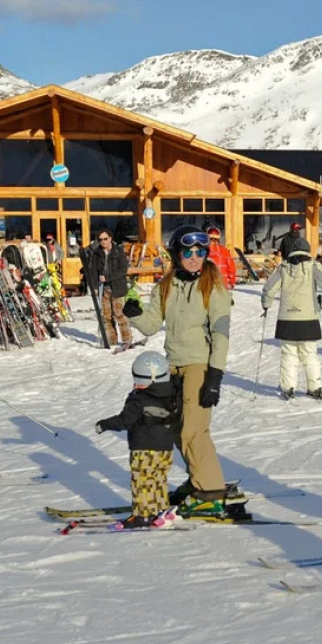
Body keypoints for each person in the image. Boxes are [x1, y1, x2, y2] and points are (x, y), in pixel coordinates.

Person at [123, 225, 237, 515]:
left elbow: (221, 333)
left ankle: (210, 490)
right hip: (171, 367)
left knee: (194, 431)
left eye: (201, 251)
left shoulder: (214, 286)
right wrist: (134, 313)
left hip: (200, 365)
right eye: (189, 252)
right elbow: (150, 325)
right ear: (177, 254)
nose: (195, 257)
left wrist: (215, 375)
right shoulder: (166, 286)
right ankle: (197, 477)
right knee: (175, 428)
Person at [95, 351, 182, 530]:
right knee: (158, 479)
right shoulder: (173, 392)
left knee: (142, 481)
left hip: (144, 448)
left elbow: (125, 420)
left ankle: (142, 515)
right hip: (165, 448)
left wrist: (104, 425)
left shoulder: (139, 399)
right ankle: (160, 509)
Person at [261, 236, 322, 400]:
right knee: (310, 353)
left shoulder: (283, 267)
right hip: (308, 318)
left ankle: (288, 388)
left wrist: (266, 305)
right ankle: (315, 387)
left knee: (289, 354)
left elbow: (269, 287)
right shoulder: (314, 266)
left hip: (286, 318)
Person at [93, 229, 133, 350]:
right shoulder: (97, 253)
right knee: (106, 316)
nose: (103, 242)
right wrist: (95, 286)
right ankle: (112, 340)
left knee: (119, 315)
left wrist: (107, 277)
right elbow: (94, 271)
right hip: (103, 289)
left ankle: (127, 340)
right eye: (100, 239)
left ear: (110, 238)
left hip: (117, 288)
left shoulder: (118, 251)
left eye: (105, 239)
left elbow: (123, 270)